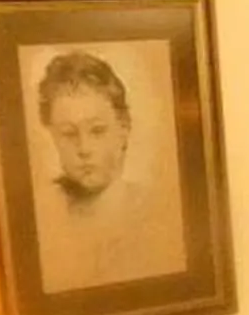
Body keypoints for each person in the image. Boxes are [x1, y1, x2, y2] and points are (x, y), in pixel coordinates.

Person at [29, 49, 182, 293]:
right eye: (68, 134)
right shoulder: (40, 219)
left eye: (97, 131)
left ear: (123, 129)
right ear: (53, 135)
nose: (84, 148)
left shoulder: (158, 215)